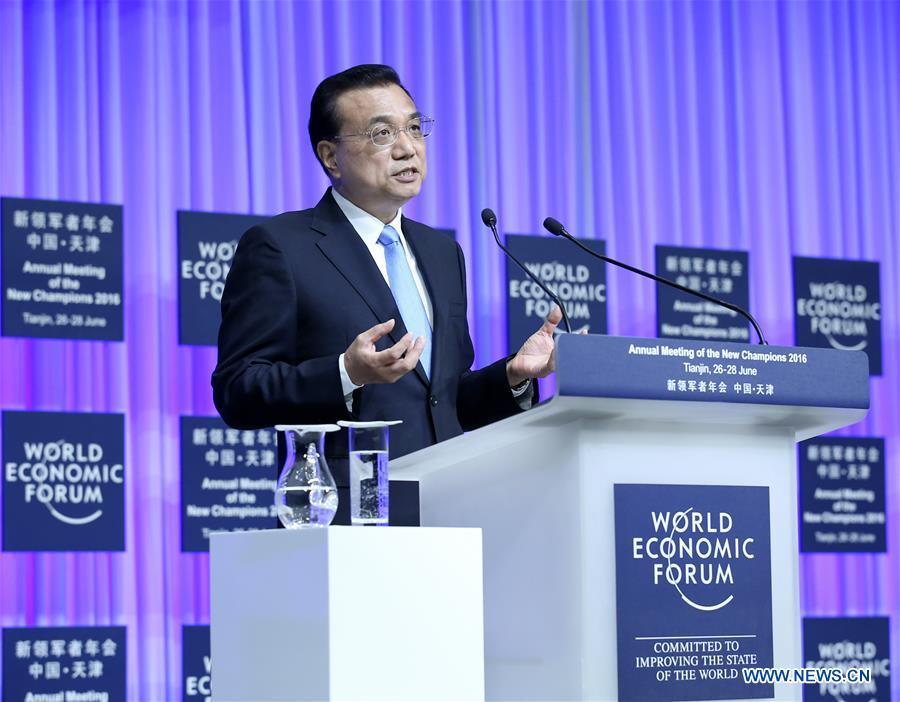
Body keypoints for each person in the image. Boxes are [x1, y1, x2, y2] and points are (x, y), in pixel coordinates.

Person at [212, 64, 560, 519]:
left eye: (415, 128)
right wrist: (345, 373)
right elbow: (238, 391)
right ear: (331, 157)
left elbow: (442, 400)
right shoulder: (281, 248)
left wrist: (512, 376)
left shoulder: (441, 251)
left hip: (453, 505)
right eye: (382, 133)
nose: (407, 148)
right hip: (349, 514)